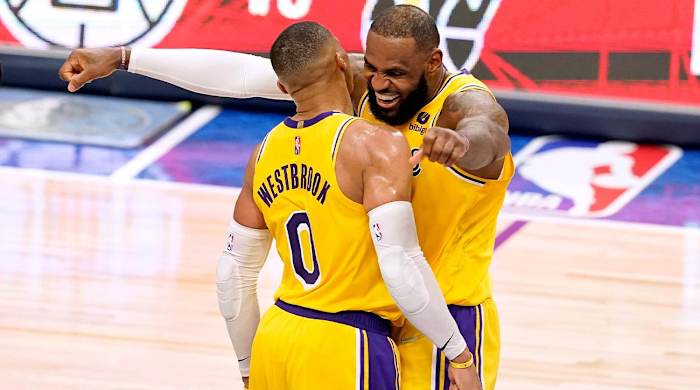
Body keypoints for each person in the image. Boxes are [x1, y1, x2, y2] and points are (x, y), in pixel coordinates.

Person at [58, 6, 512, 389]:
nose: (379, 84)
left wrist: (463, 144)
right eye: (371, 68)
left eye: (395, 73)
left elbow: (488, 131)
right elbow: (243, 74)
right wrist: (121, 58)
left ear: (433, 62)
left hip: (447, 315)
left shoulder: (462, 104)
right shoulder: (366, 84)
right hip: (375, 319)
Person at [211, 21, 478, 390]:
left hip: (276, 338)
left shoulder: (263, 153)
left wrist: (246, 365)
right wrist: (458, 353)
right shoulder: (375, 144)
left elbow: (232, 273)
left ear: (282, 87)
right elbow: (401, 262)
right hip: (347, 342)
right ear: (342, 63)